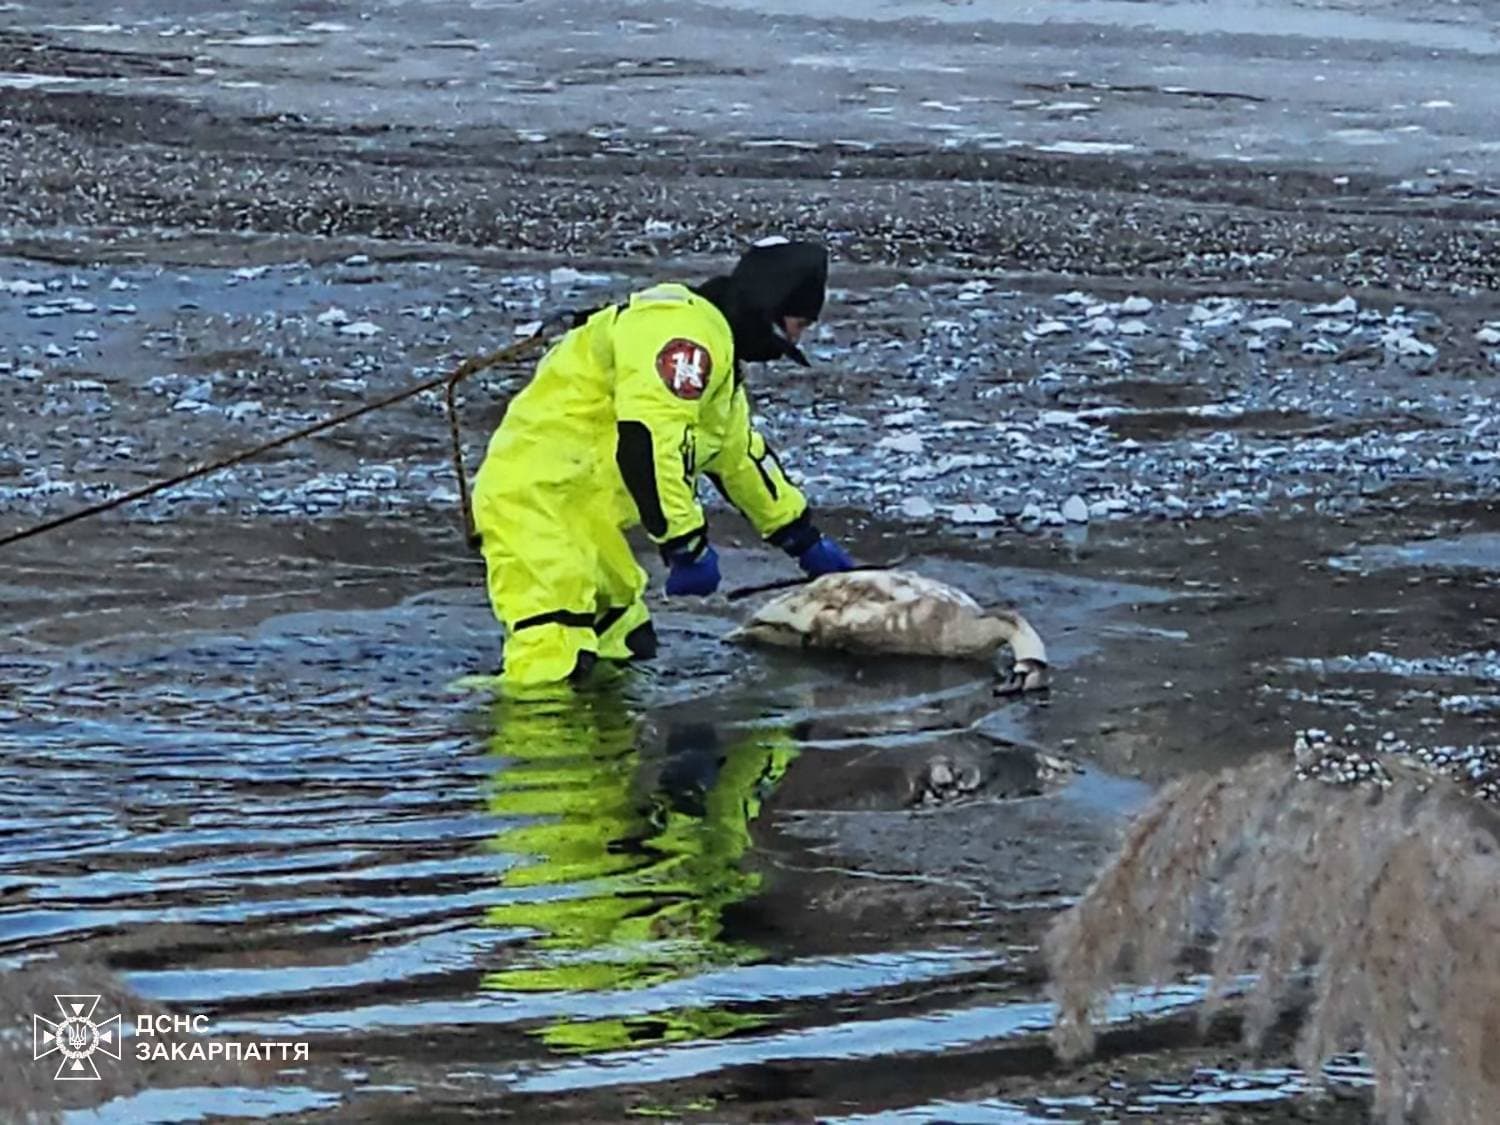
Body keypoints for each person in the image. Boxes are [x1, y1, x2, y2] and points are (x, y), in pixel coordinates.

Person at [471, 238, 856, 688]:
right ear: (774, 306)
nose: (796, 339)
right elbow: (649, 442)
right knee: (555, 655)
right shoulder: (681, 339)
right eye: (799, 324)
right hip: (534, 501)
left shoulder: (716, 356)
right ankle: (510, 725)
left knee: (624, 641)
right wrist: (684, 544)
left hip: (583, 515)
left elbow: (739, 458)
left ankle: (601, 731)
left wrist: (802, 538)